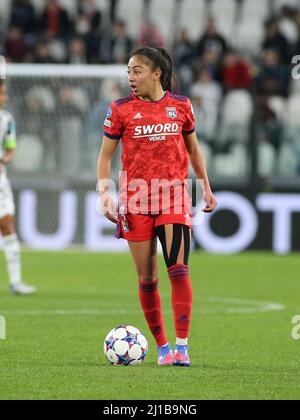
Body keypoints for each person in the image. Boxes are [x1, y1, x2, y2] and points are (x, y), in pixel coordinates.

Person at [97, 47, 217, 366]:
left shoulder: (181, 106)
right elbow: (106, 155)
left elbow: (193, 150)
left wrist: (205, 186)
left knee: (178, 270)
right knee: (148, 279)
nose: (130, 78)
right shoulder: (120, 109)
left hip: (173, 197)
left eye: (136, 71)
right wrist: (104, 191)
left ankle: (182, 347)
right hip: (135, 201)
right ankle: (162, 348)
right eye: (128, 72)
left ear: (156, 73)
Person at [0, 80, 36, 295]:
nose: (5, 98)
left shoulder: (7, 120)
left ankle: (15, 281)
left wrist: (6, 159)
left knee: (8, 224)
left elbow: (10, 147)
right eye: (2, 94)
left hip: (1, 181)